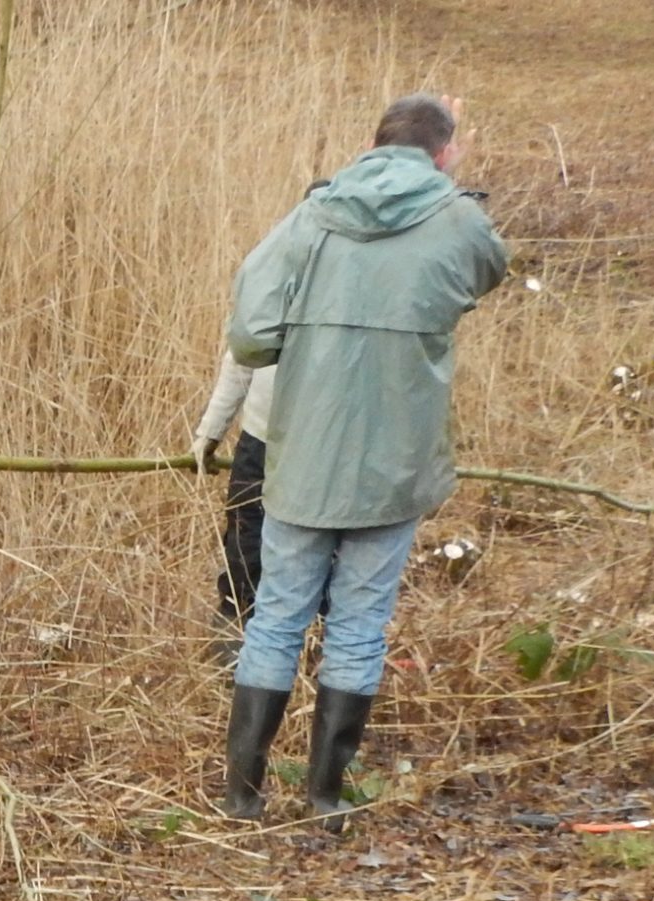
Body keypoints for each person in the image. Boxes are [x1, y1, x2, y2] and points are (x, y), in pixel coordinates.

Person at [220, 92, 508, 826]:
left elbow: (252, 334)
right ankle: (323, 796)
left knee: (277, 618)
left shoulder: (313, 214)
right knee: (358, 623)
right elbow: (486, 274)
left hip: (305, 453)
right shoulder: (458, 218)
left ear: (375, 144)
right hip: (395, 462)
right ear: (444, 151)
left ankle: (244, 795)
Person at [190, 351, 275, 628]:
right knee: (246, 538)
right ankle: (237, 623)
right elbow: (244, 351)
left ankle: (315, 638)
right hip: (262, 437)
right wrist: (211, 430)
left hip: (337, 444)